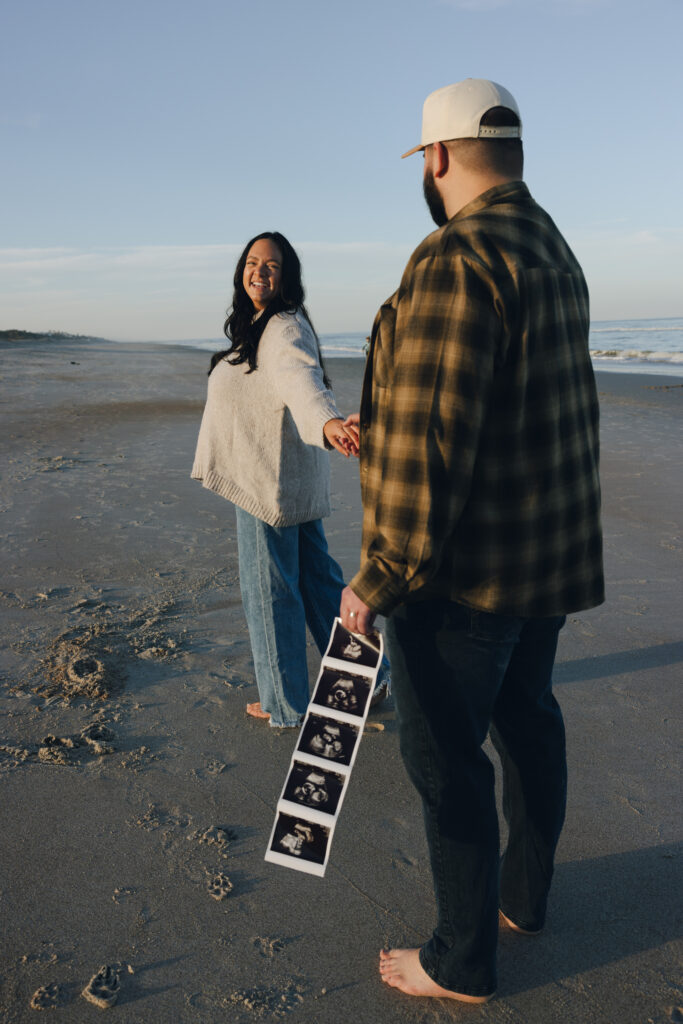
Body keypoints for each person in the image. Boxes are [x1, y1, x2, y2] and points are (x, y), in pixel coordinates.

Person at [339, 78, 604, 1003]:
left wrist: (376, 578)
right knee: (529, 721)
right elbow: (520, 409)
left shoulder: (458, 256)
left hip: (465, 572)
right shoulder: (551, 247)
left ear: (437, 158)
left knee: (443, 757)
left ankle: (460, 961)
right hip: (546, 556)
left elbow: (431, 446)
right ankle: (524, 900)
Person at [192, 231, 361, 728]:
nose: (259, 271)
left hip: (268, 484)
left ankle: (284, 702)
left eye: (272, 265)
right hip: (288, 480)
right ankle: (371, 680)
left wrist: (328, 424)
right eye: (252, 262)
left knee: (270, 593)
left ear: (287, 277)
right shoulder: (261, 326)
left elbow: (302, 382)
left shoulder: (283, 328)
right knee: (320, 586)